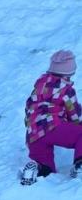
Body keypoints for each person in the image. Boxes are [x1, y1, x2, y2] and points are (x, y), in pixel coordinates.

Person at [21, 50, 82, 184]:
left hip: (33, 134)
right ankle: (80, 166)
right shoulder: (66, 90)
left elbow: (29, 107)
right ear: (69, 72)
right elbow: (75, 116)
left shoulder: (39, 85)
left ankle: (37, 169)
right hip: (53, 126)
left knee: (47, 167)